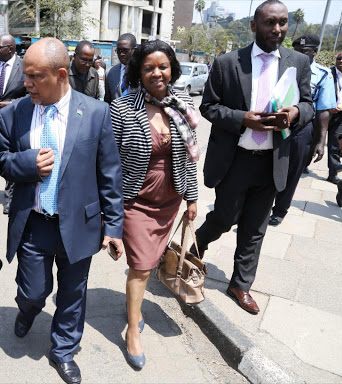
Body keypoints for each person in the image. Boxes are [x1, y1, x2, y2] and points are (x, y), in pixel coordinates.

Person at [0, 37, 124, 384]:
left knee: (73, 292)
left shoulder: (96, 113)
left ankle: (63, 350)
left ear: (61, 74)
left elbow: (110, 174)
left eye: (36, 77)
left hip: (80, 224)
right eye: (26, 75)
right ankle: (28, 310)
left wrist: (113, 228)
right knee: (33, 290)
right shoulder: (14, 113)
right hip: (34, 223)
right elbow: (0, 160)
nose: (27, 83)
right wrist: (26, 164)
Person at [192, 0, 313, 314]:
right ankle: (196, 244)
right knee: (224, 217)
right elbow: (208, 107)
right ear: (254, 25)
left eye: (283, 22)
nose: (277, 29)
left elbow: (310, 105)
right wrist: (242, 118)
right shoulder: (227, 63)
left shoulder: (298, 62)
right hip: (235, 160)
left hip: (273, 160)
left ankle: (240, 284)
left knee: (255, 228)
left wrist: (297, 111)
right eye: (270, 23)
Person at [110, 39, 199, 369]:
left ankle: (133, 307)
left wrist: (192, 197)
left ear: (172, 68)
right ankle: (133, 330)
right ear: (139, 71)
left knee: (142, 265)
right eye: (149, 68)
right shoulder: (122, 108)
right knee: (143, 266)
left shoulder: (184, 104)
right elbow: (109, 164)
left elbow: (190, 158)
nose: (157, 73)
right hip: (135, 200)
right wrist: (110, 214)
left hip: (169, 200)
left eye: (163, 66)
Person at [269, 34, 336, 226]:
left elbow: (323, 111)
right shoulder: (282, 69)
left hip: (302, 129)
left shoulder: (323, 75)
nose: (299, 55)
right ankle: (261, 205)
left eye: (305, 52)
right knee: (268, 167)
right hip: (276, 125)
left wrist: (320, 141)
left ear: (315, 52)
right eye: (296, 51)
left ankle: (280, 210)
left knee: (292, 172)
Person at [0, 34, 27, 214]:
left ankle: (10, 198)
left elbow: (31, 92)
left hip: (17, 117)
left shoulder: (24, 66)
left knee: (12, 155)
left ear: (10, 48)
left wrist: (13, 103)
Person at [104, 33, 137, 103]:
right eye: (119, 51)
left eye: (125, 51)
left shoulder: (142, 72)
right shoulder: (110, 73)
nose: (121, 54)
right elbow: (107, 100)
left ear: (134, 50)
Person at [329, 51, 342, 183]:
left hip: (341, 116)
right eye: (339, 58)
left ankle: (333, 174)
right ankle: (303, 165)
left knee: (334, 144)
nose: (341, 61)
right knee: (314, 140)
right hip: (325, 113)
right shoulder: (329, 73)